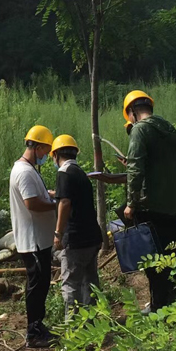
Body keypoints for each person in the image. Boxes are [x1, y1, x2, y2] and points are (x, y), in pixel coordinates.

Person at [122, 89, 176, 312]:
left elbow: (135, 169)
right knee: (171, 255)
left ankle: (158, 306)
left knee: (152, 259)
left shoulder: (140, 129)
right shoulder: (169, 129)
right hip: (172, 204)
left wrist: (131, 203)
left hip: (150, 205)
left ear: (132, 111)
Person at [9, 125, 56, 348]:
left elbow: (36, 196)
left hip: (37, 239)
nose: (46, 155)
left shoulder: (27, 168)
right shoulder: (25, 172)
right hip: (33, 240)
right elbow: (32, 203)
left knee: (41, 284)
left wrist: (49, 194)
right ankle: (34, 333)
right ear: (36, 147)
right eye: (45, 150)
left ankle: (38, 326)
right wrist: (56, 204)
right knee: (37, 287)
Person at [52, 135, 103, 320]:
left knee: (71, 285)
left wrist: (58, 233)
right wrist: (57, 194)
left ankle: (73, 329)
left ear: (56, 155)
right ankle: (93, 325)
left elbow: (65, 202)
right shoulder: (80, 172)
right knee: (90, 283)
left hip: (76, 239)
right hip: (92, 237)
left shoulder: (63, 173)